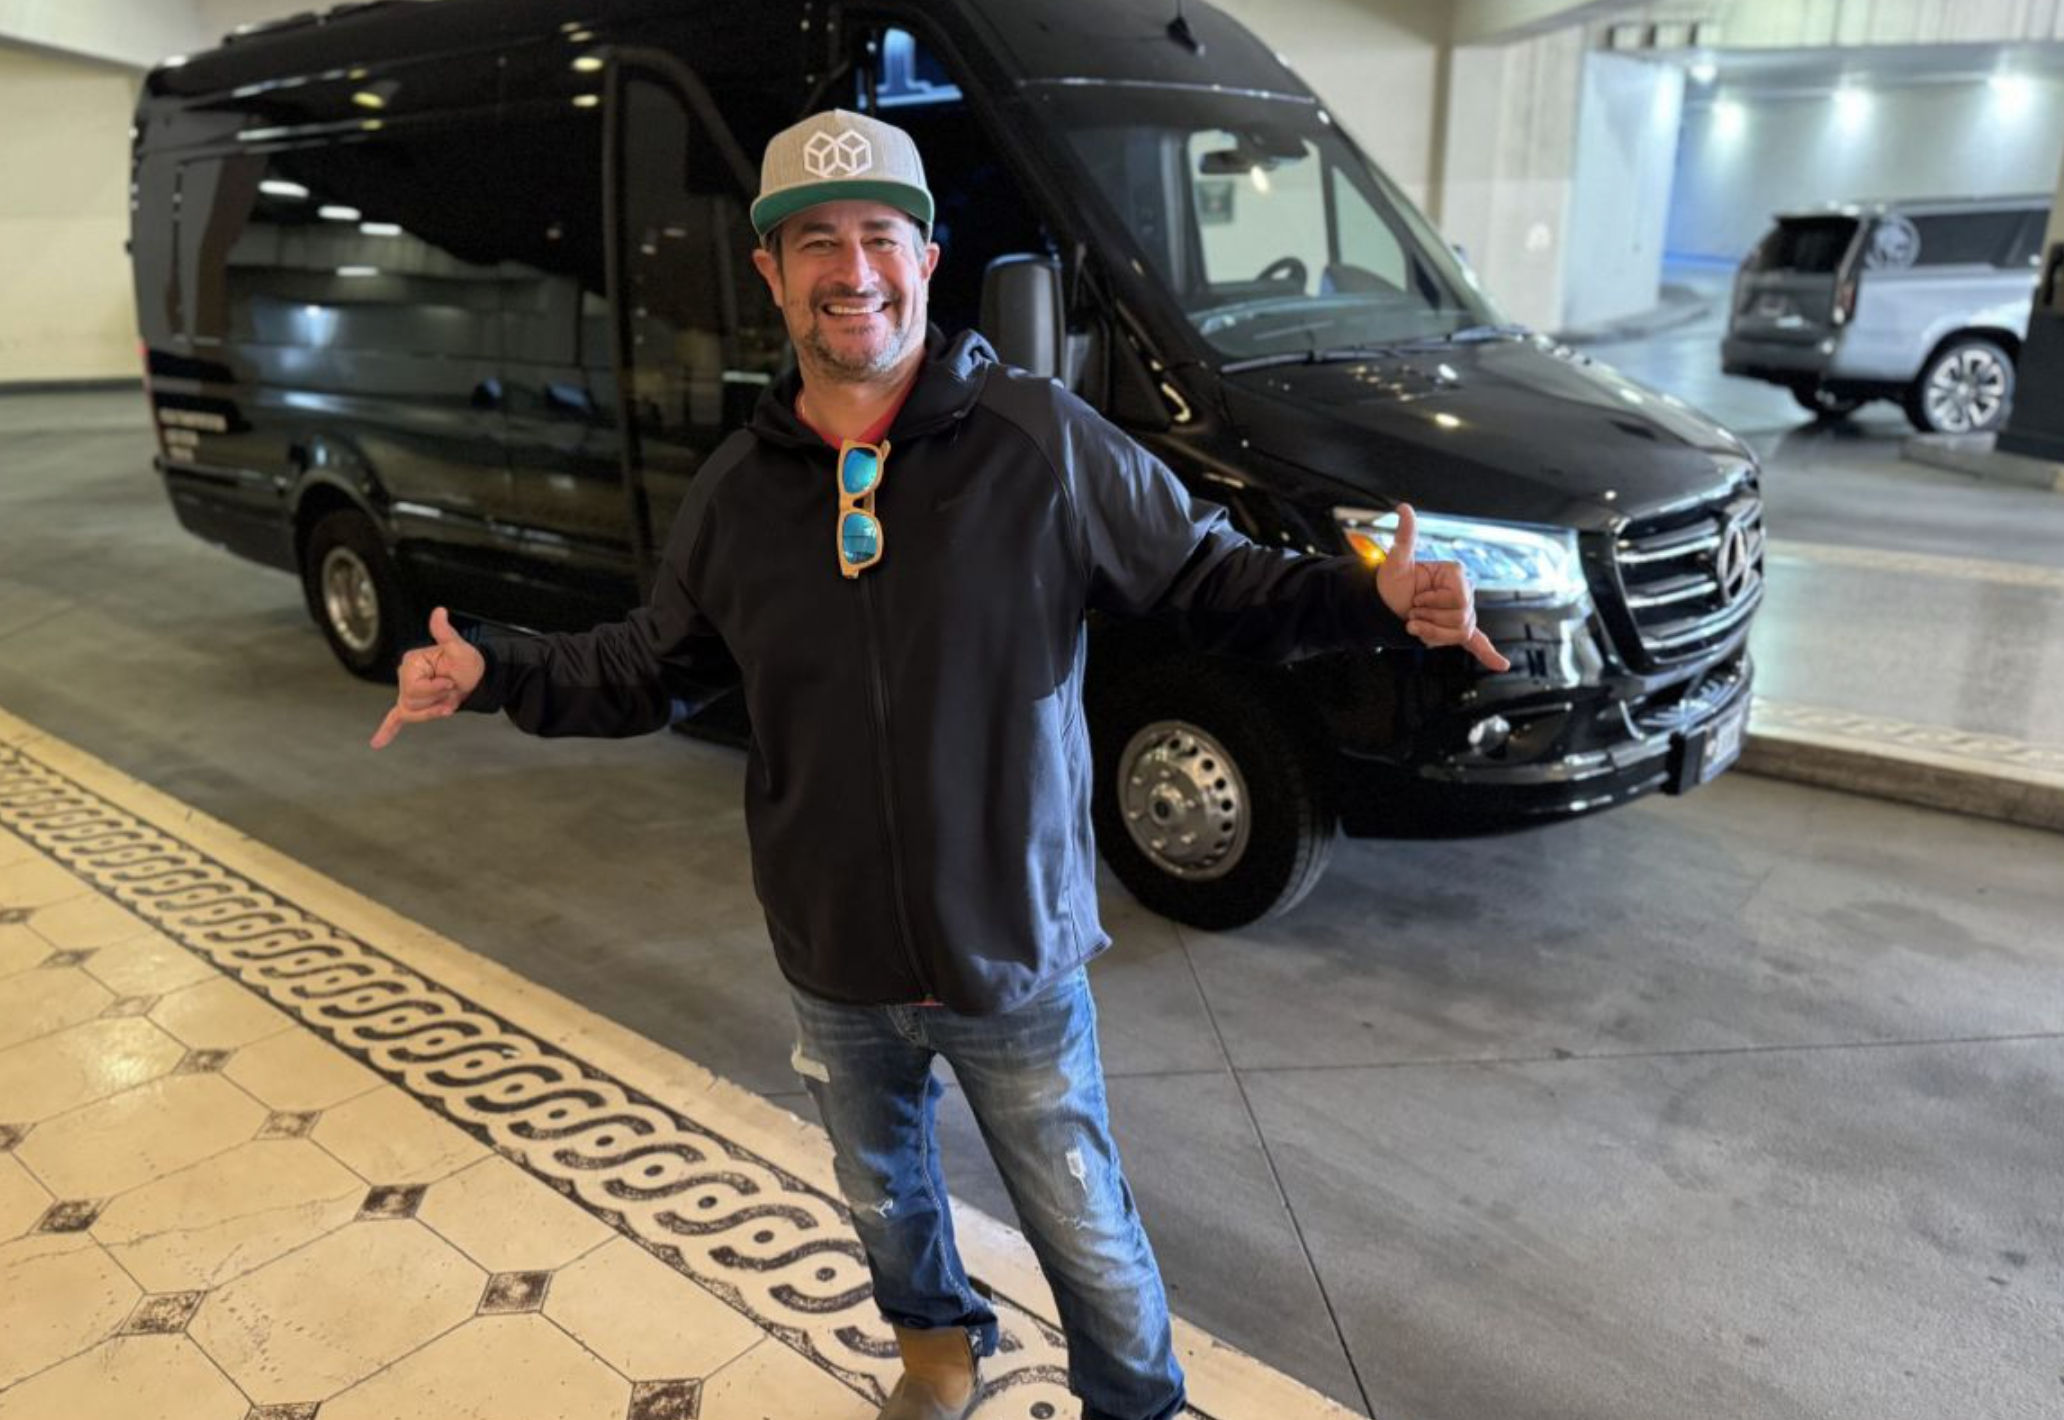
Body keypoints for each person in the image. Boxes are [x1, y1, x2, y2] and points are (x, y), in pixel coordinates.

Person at [371, 108, 1506, 1420]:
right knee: (886, 1195)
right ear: (770, 275)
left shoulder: (1041, 442)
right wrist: (498, 670)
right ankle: (936, 1354)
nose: (850, 270)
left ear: (926, 257)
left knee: (1081, 1221)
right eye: (814, 245)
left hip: (1010, 949)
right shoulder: (741, 491)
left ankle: (1133, 1402)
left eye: (878, 238)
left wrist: (1375, 601)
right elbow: (651, 665)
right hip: (832, 948)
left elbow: (1205, 574)